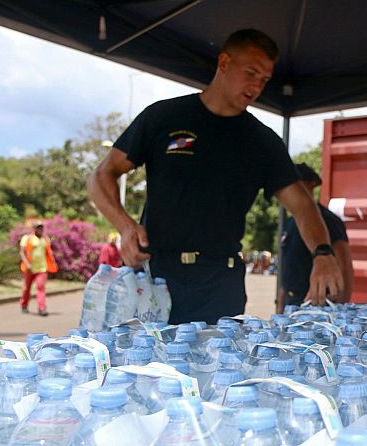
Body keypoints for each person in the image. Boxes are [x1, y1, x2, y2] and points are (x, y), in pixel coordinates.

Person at [88, 29, 343, 325]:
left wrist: (323, 253)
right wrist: (125, 226)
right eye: (251, 73)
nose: (257, 86)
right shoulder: (164, 117)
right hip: (155, 277)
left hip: (220, 284)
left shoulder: (262, 141)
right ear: (224, 63)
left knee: (217, 369)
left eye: (264, 79)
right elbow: (101, 175)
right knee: (143, 368)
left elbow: (303, 206)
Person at [277, 163, 353, 312]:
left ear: (310, 185)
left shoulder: (329, 221)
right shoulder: (290, 222)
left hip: (317, 307)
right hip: (291, 304)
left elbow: (344, 268)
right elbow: (287, 269)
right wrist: (280, 305)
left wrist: (340, 310)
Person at [18, 221, 58, 316]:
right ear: (34, 229)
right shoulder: (27, 238)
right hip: (30, 268)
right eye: (38, 228)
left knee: (40, 287)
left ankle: (42, 308)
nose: (40, 230)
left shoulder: (45, 239)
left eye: (41, 228)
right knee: (26, 288)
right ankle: (24, 304)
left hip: (42, 268)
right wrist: (27, 263)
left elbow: (48, 253)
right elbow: (22, 252)